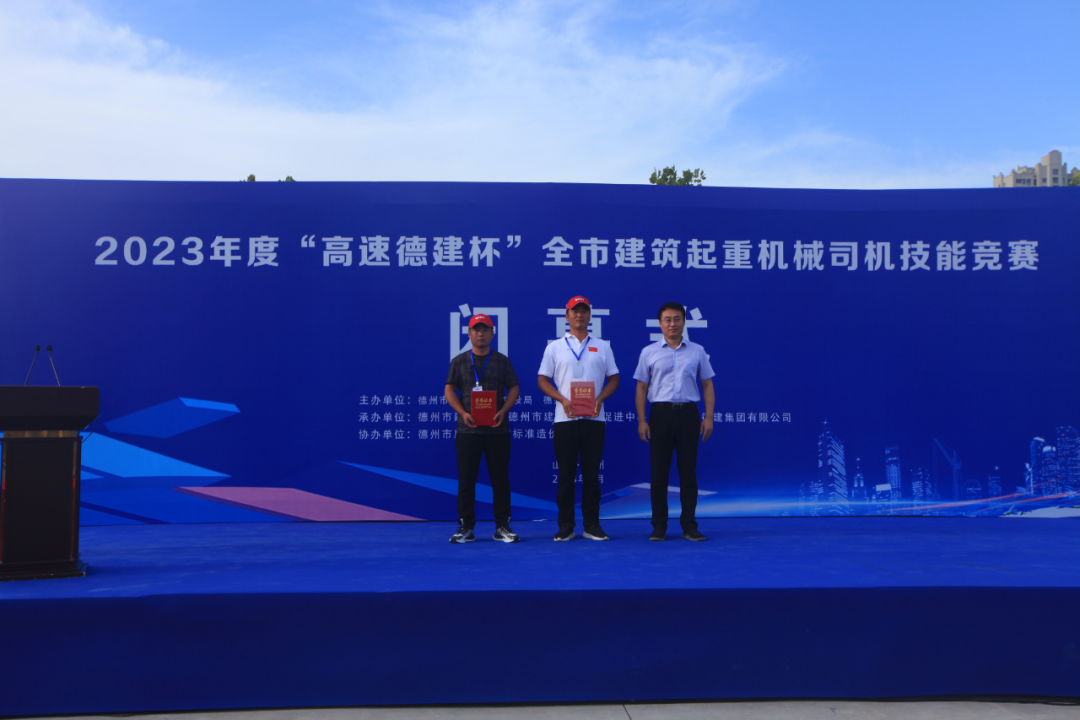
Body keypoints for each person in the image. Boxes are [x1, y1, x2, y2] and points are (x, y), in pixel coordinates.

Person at [538, 296, 620, 541]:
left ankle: (592, 525)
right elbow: (542, 380)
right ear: (567, 316)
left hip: (594, 419)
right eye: (575, 311)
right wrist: (562, 399)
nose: (579, 315)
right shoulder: (555, 347)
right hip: (565, 419)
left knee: (592, 475)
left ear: (589, 316)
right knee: (566, 475)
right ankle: (566, 525)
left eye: (584, 311)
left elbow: (614, 379)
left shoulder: (602, 346)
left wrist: (600, 399)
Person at [633, 302, 715, 541]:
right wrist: (642, 420)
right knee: (659, 473)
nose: (672, 324)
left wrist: (708, 417)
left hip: (688, 414)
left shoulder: (697, 351)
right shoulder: (649, 352)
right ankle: (659, 526)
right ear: (660, 324)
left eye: (677, 319)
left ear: (684, 322)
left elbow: (707, 384)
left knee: (688, 472)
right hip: (660, 415)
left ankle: (689, 525)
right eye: (667, 320)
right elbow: (641, 387)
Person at [444, 313, 521, 543]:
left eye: (485, 329)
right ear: (469, 334)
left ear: (492, 333)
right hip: (468, 431)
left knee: (500, 479)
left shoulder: (502, 361)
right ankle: (465, 527)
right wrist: (463, 413)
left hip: (498, 429)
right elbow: (449, 390)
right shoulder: (459, 361)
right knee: (466, 480)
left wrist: (503, 410)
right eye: (476, 330)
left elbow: (514, 388)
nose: (480, 334)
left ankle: (502, 526)